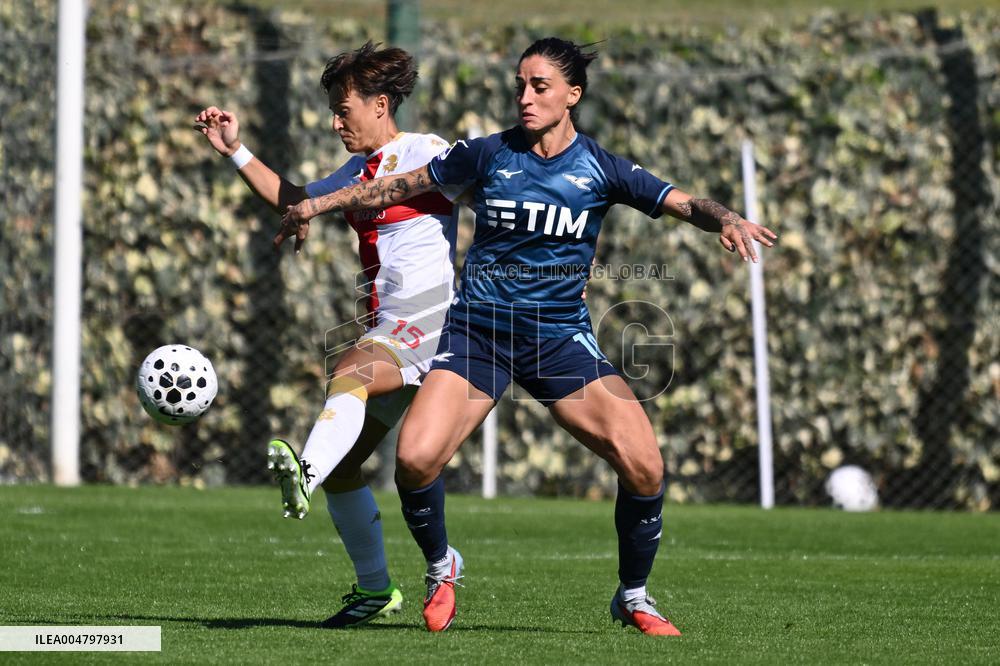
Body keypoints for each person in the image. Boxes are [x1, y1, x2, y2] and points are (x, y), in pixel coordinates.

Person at [277, 37, 777, 636]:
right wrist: (316, 205)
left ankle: (634, 596)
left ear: (573, 95)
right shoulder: (486, 154)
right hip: (478, 336)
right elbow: (394, 186)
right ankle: (442, 568)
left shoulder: (601, 168)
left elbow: (681, 200)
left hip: (558, 341)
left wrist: (727, 219)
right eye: (520, 84)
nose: (525, 96)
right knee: (413, 460)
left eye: (539, 86)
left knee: (644, 466)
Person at [195, 41, 464, 628]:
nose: (335, 121)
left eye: (344, 110)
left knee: (350, 370)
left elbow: (485, 192)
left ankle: (304, 475)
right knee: (359, 465)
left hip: (431, 324)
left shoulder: (428, 151)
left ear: (382, 104)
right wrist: (235, 150)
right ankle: (377, 588)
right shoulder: (354, 171)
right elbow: (295, 202)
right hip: (389, 330)